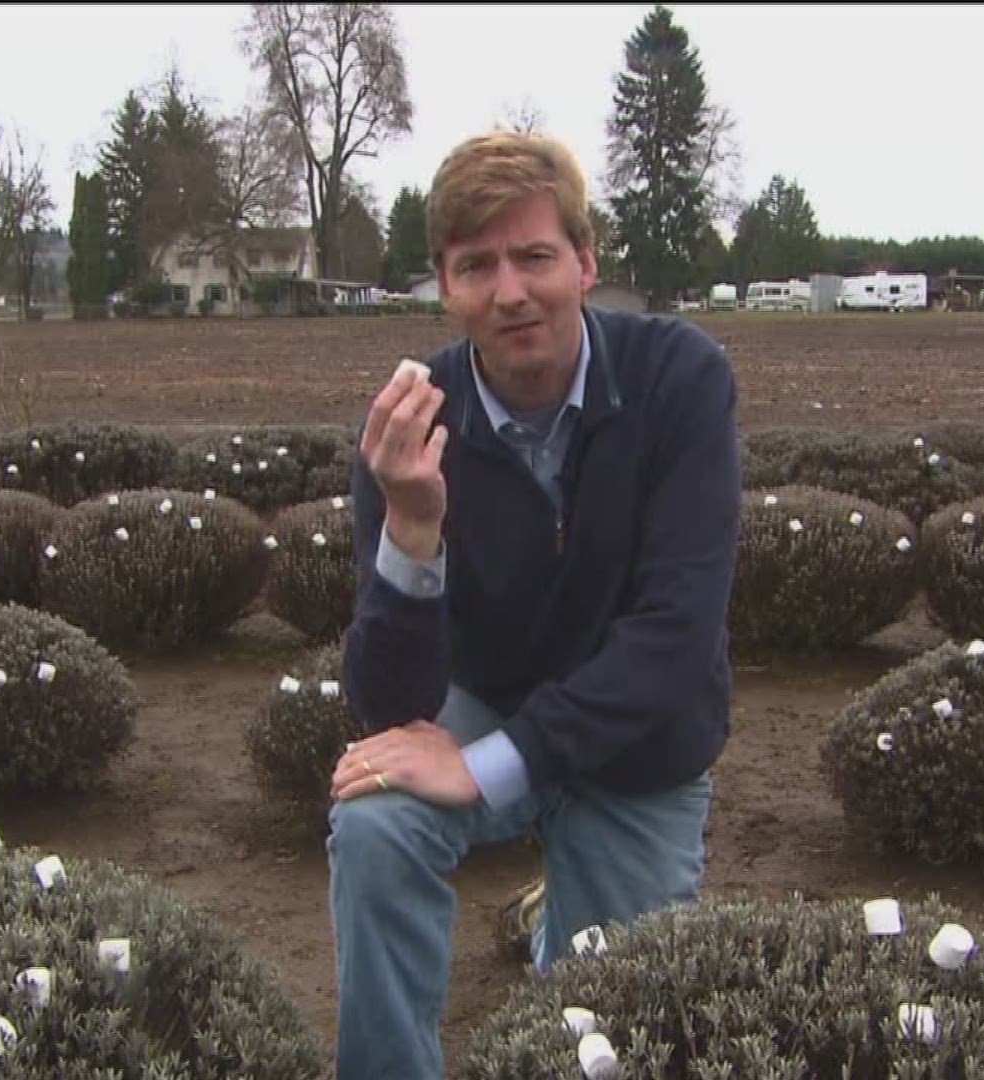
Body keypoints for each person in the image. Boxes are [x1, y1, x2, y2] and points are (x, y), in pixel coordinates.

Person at [328, 130, 742, 1080]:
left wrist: (486, 772)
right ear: (444, 284)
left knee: (605, 1033)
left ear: (586, 264)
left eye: (535, 256)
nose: (510, 291)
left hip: (640, 740)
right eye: (477, 265)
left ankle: (560, 899)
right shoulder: (411, 425)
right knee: (376, 817)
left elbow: (674, 640)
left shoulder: (680, 381)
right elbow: (388, 703)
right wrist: (413, 522)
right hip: (493, 696)